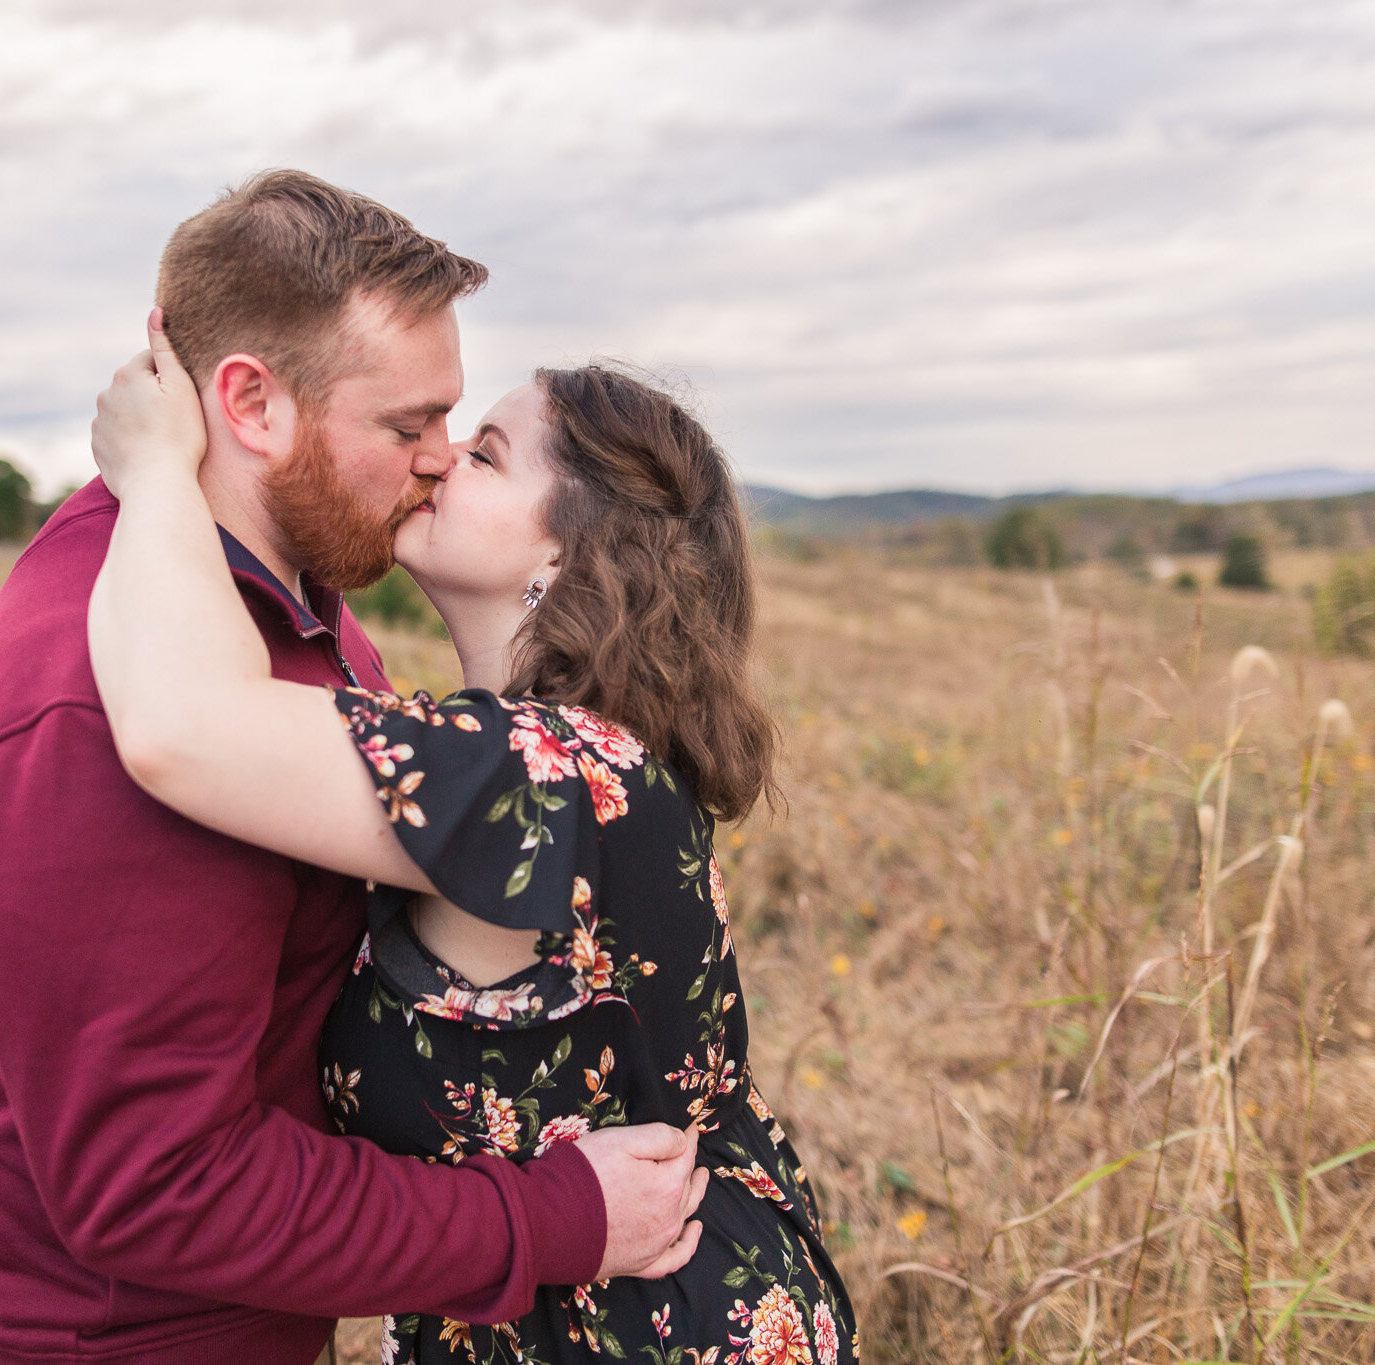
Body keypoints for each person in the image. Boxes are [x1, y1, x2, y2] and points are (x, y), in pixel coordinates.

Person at [0, 170, 705, 1365]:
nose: (437, 460)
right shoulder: (87, 706)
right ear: (251, 403)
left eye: (460, 430)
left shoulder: (310, 613)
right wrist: (544, 1217)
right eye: (407, 426)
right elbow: (153, 1185)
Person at [83, 310, 859, 1362]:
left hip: (656, 1329)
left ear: (568, 549)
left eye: (485, 453)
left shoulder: (540, 772)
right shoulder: (551, 757)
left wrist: (156, 471)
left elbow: (182, 725)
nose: (439, 458)